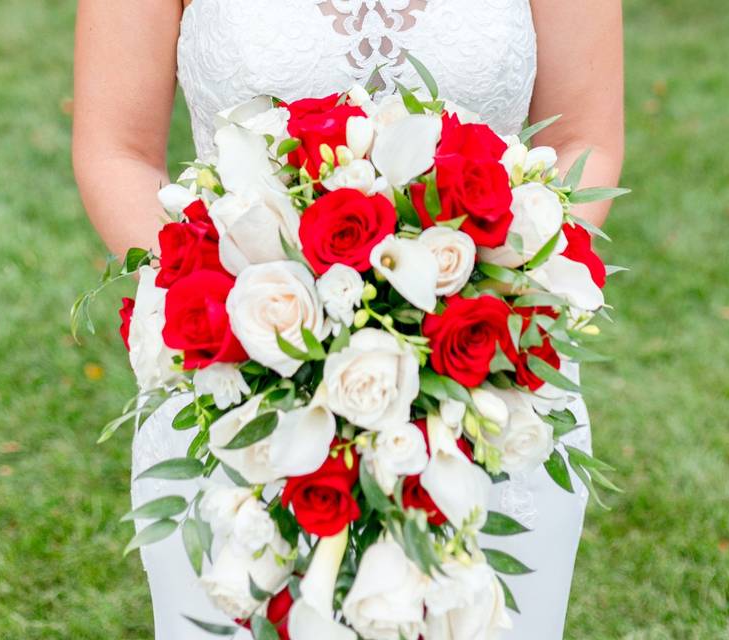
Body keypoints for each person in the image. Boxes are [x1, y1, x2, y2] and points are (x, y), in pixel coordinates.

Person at [73, 1, 623, 638]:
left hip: (484, 378)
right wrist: (243, 317)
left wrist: (490, 288)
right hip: (239, 372)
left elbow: (585, 138)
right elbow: (118, 150)